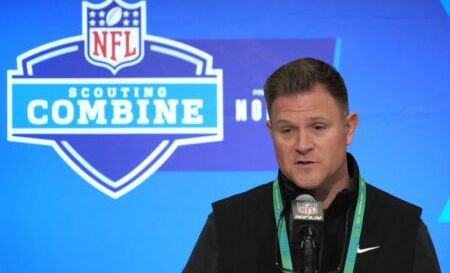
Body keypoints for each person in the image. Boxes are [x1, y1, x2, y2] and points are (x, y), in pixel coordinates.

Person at [184, 58, 441, 273]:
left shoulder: (402, 227)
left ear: (348, 129)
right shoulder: (228, 224)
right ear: (271, 132)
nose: (303, 144)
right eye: (287, 130)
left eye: (318, 127)